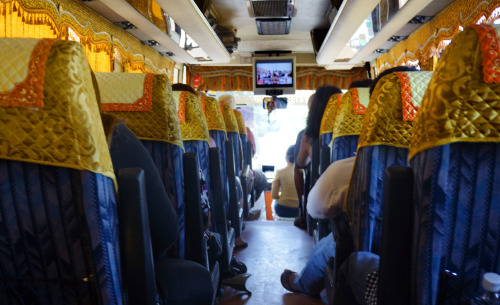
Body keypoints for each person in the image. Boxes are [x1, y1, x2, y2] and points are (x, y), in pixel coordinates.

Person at [281, 69, 417, 300]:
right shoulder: (461, 169)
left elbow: (315, 208)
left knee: (336, 242)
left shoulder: (354, 168)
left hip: (383, 276)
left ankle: (302, 283)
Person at [294, 86, 343, 228]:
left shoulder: (309, 136)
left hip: (324, 196)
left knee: (298, 169)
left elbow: (300, 164)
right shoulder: (365, 130)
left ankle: (302, 212)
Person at [271, 145, 300, 217]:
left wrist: (281, 196)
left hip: (283, 209)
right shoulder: (303, 172)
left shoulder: (280, 172)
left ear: (286, 158)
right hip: (299, 210)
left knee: (274, 202)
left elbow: (274, 195)